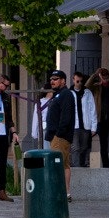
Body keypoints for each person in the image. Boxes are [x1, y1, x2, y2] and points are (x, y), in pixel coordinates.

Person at [41, 69, 76, 198]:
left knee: (58, 163)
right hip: (56, 135)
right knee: (63, 163)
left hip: (60, 136)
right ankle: (65, 192)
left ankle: (61, 192)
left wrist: (59, 134)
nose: (52, 81)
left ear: (63, 81)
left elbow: (66, 116)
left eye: (55, 79)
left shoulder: (66, 94)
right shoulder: (58, 94)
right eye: (51, 79)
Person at [89, 67, 109, 168]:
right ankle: (106, 165)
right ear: (100, 77)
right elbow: (86, 86)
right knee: (103, 145)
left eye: (107, 78)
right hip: (101, 120)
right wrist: (94, 75)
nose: (105, 80)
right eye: (103, 78)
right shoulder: (97, 87)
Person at [71, 71, 97, 169]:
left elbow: (92, 109)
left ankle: (82, 165)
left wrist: (94, 126)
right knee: (75, 148)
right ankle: (76, 167)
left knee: (84, 148)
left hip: (86, 125)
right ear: (73, 80)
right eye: (77, 81)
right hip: (74, 126)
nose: (79, 83)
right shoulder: (70, 93)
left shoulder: (87, 92)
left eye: (81, 81)